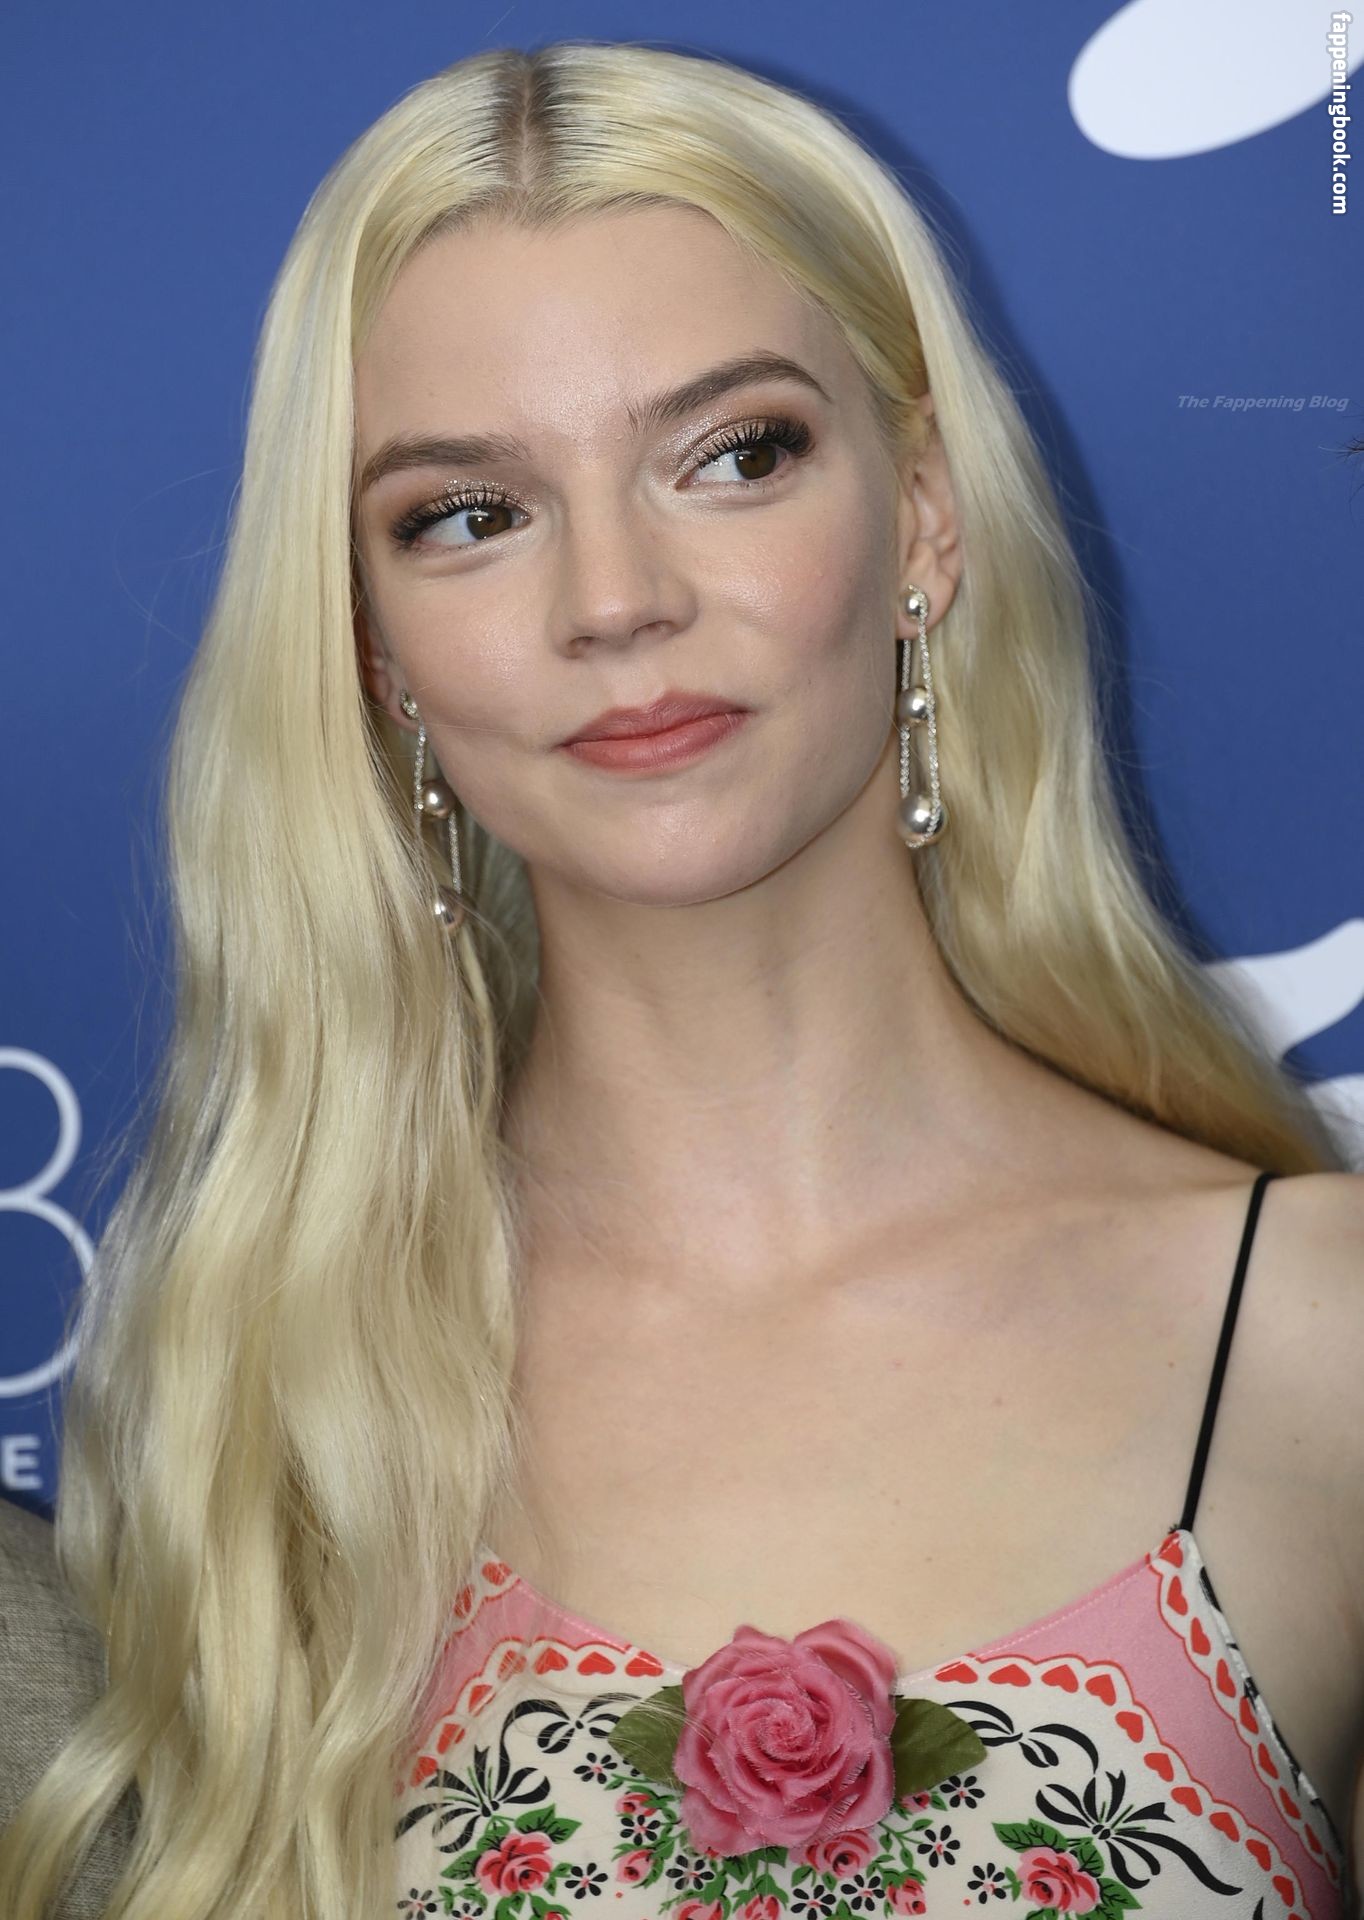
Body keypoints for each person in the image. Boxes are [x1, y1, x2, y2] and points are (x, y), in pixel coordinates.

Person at [1, 38, 1360, 1920]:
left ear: (926, 516)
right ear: (374, 649)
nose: (616, 598)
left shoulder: (1317, 1340)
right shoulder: (266, 1405)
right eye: (468, 513)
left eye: (735, 454)